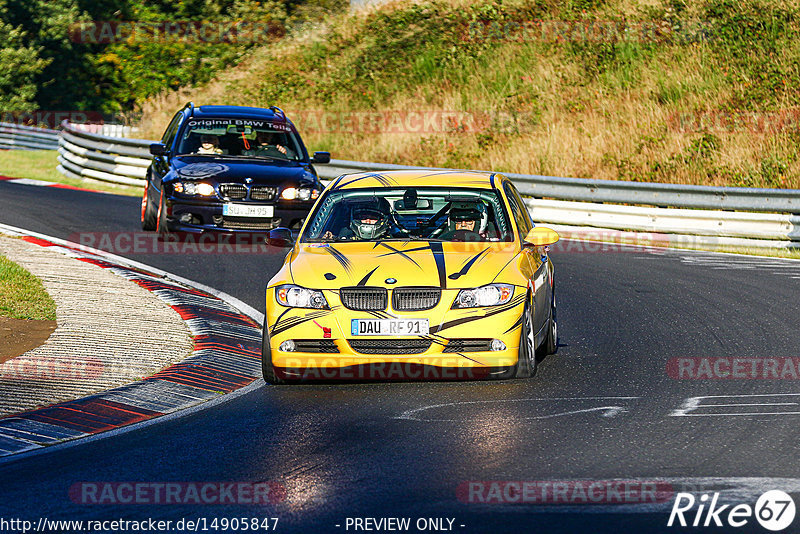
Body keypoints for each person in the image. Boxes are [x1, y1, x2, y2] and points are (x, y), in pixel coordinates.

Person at [322, 199, 392, 240]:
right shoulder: (342, 239)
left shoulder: (393, 240)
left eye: (373, 218)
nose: (368, 221)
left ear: (383, 219)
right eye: (363, 217)